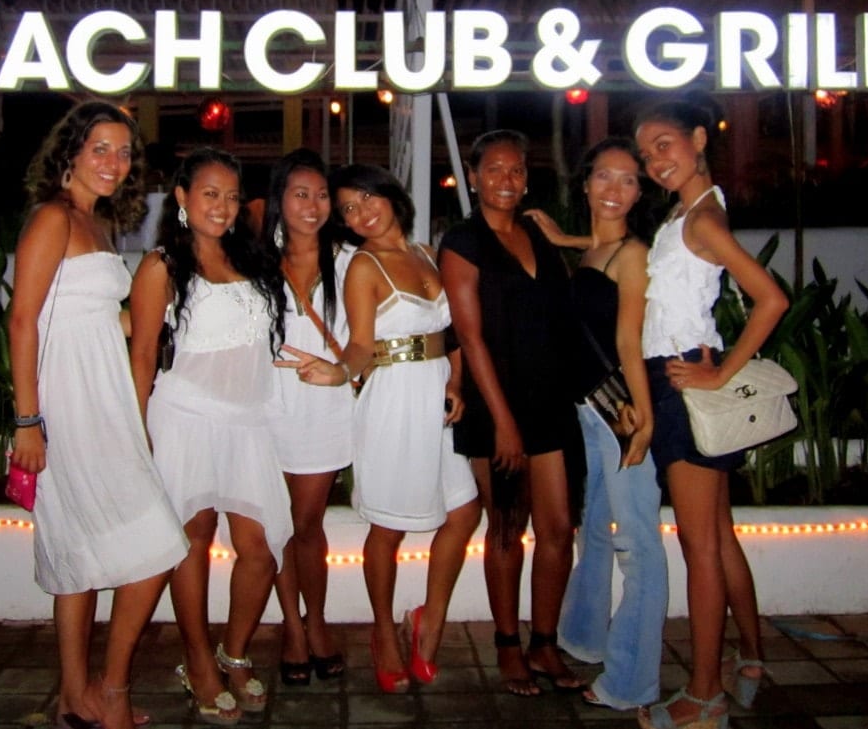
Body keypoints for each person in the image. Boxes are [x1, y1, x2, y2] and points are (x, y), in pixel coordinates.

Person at [8, 100, 189, 729]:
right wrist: (28, 421)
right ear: (70, 153)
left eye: (123, 152)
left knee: (79, 551)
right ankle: (106, 690)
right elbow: (23, 319)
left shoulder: (96, 222)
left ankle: (73, 696)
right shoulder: (53, 218)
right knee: (161, 542)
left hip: (101, 393)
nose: (114, 163)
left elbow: (87, 313)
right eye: (100, 149)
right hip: (69, 403)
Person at [276, 164, 481, 693]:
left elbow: (448, 331)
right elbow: (362, 343)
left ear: (390, 196)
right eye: (348, 208)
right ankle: (383, 634)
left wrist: (455, 382)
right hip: (393, 398)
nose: (361, 212)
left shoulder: (425, 255)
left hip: (435, 392)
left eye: (367, 197)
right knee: (387, 529)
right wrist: (341, 370)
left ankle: (428, 622)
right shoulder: (362, 267)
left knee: (464, 512)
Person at [634, 99, 788, 729]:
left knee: (699, 547)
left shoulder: (704, 221)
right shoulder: (689, 212)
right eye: (647, 154)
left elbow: (771, 298)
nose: (654, 162)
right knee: (719, 537)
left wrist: (719, 372)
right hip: (681, 376)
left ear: (699, 139)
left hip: (682, 384)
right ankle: (750, 662)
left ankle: (703, 698)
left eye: (665, 145)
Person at [129, 147, 291, 724]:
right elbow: (143, 354)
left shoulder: (253, 258)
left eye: (229, 195)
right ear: (181, 198)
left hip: (248, 422)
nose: (220, 206)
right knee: (192, 539)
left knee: (260, 547)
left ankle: (235, 650)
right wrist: (137, 433)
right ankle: (197, 660)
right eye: (208, 194)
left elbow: (261, 342)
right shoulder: (159, 267)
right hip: (185, 418)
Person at [439, 129, 586, 696]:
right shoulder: (462, 241)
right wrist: (502, 421)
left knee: (558, 528)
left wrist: (566, 240)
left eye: (517, 170)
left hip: (549, 398)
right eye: (495, 170)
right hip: (495, 403)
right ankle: (507, 646)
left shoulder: (537, 234)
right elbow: (470, 339)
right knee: (506, 527)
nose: (507, 180)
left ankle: (544, 642)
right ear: (473, 177)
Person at [531, 138, 669, 711]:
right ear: (585, 184)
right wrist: (565, 240)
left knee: (637, 546)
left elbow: (627, 341)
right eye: (605, 178)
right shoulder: (596, 248)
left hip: (620, 410)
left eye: (629, 180)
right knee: (595, 530)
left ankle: (631, 681)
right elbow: (596, 247)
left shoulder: (631, 253)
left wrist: (642, 418)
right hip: (590, 408)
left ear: (641, 192)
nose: (615, 190)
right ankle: (584, 637)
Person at [262, 149, 352, 686]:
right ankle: (293, 627)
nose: (313, 205)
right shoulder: (254, 260)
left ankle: (315, 620)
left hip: (323, 407)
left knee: (307, 523)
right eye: (301, 194)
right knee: (277, 527)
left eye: (321, 195)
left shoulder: (347, 261)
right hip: (266, 406)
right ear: (280, 200)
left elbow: (366, 336)